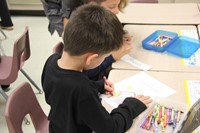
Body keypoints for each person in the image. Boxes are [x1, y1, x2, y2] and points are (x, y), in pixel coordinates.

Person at [41, 3, 152, 133]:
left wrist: (97, 86)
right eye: (104, 57)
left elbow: (66, 89)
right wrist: (131, 105)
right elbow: (111, 128)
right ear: (91, 59)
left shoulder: (52, 61)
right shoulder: (82, 90)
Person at [42, 0, 131, 81]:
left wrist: (118, 36)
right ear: (92, 4)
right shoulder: (80, 33)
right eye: (112, 7)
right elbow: (84, 72)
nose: (117, 11)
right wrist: (111, 58)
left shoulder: (51, 60)